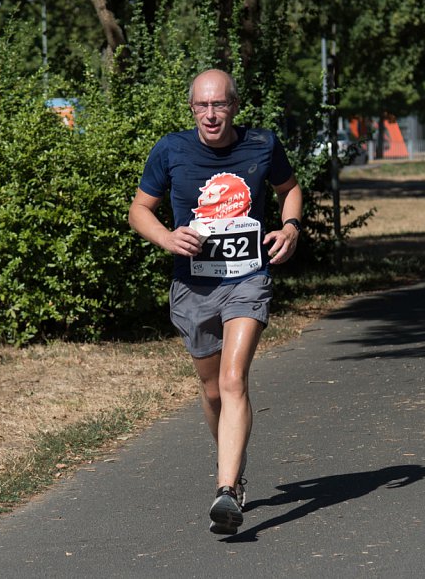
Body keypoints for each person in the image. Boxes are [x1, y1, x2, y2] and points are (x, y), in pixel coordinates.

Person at [128, 68, 302, 535]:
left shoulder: (262, 144)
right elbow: (139, 209)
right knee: (210, 390)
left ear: (234, 106)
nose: (211, 114)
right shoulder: (171, 150)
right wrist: (166, 237)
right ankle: (234, 464)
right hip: (194, 285)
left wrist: (290, 228)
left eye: (219, 104)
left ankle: (226, 490)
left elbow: (290, 190)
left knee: (232, 377)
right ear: (192, 109)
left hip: (247, 279)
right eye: (202, 106)